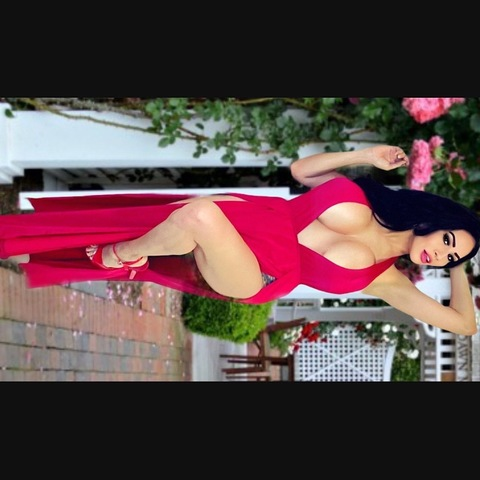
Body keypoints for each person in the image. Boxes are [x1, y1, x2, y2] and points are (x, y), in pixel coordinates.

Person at [1, 145, 479, 336]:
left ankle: (122, 256)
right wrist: (364, 155)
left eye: (450, 255)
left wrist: (462, 265)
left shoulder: (387, 281)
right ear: (435, 220)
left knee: (198, 216)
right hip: (250, 215)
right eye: (448, 240)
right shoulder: (368, 199)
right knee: (100, 230)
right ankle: (41, 247)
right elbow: (302, 171)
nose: (442, 252)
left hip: (259, 273)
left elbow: (465, 325)